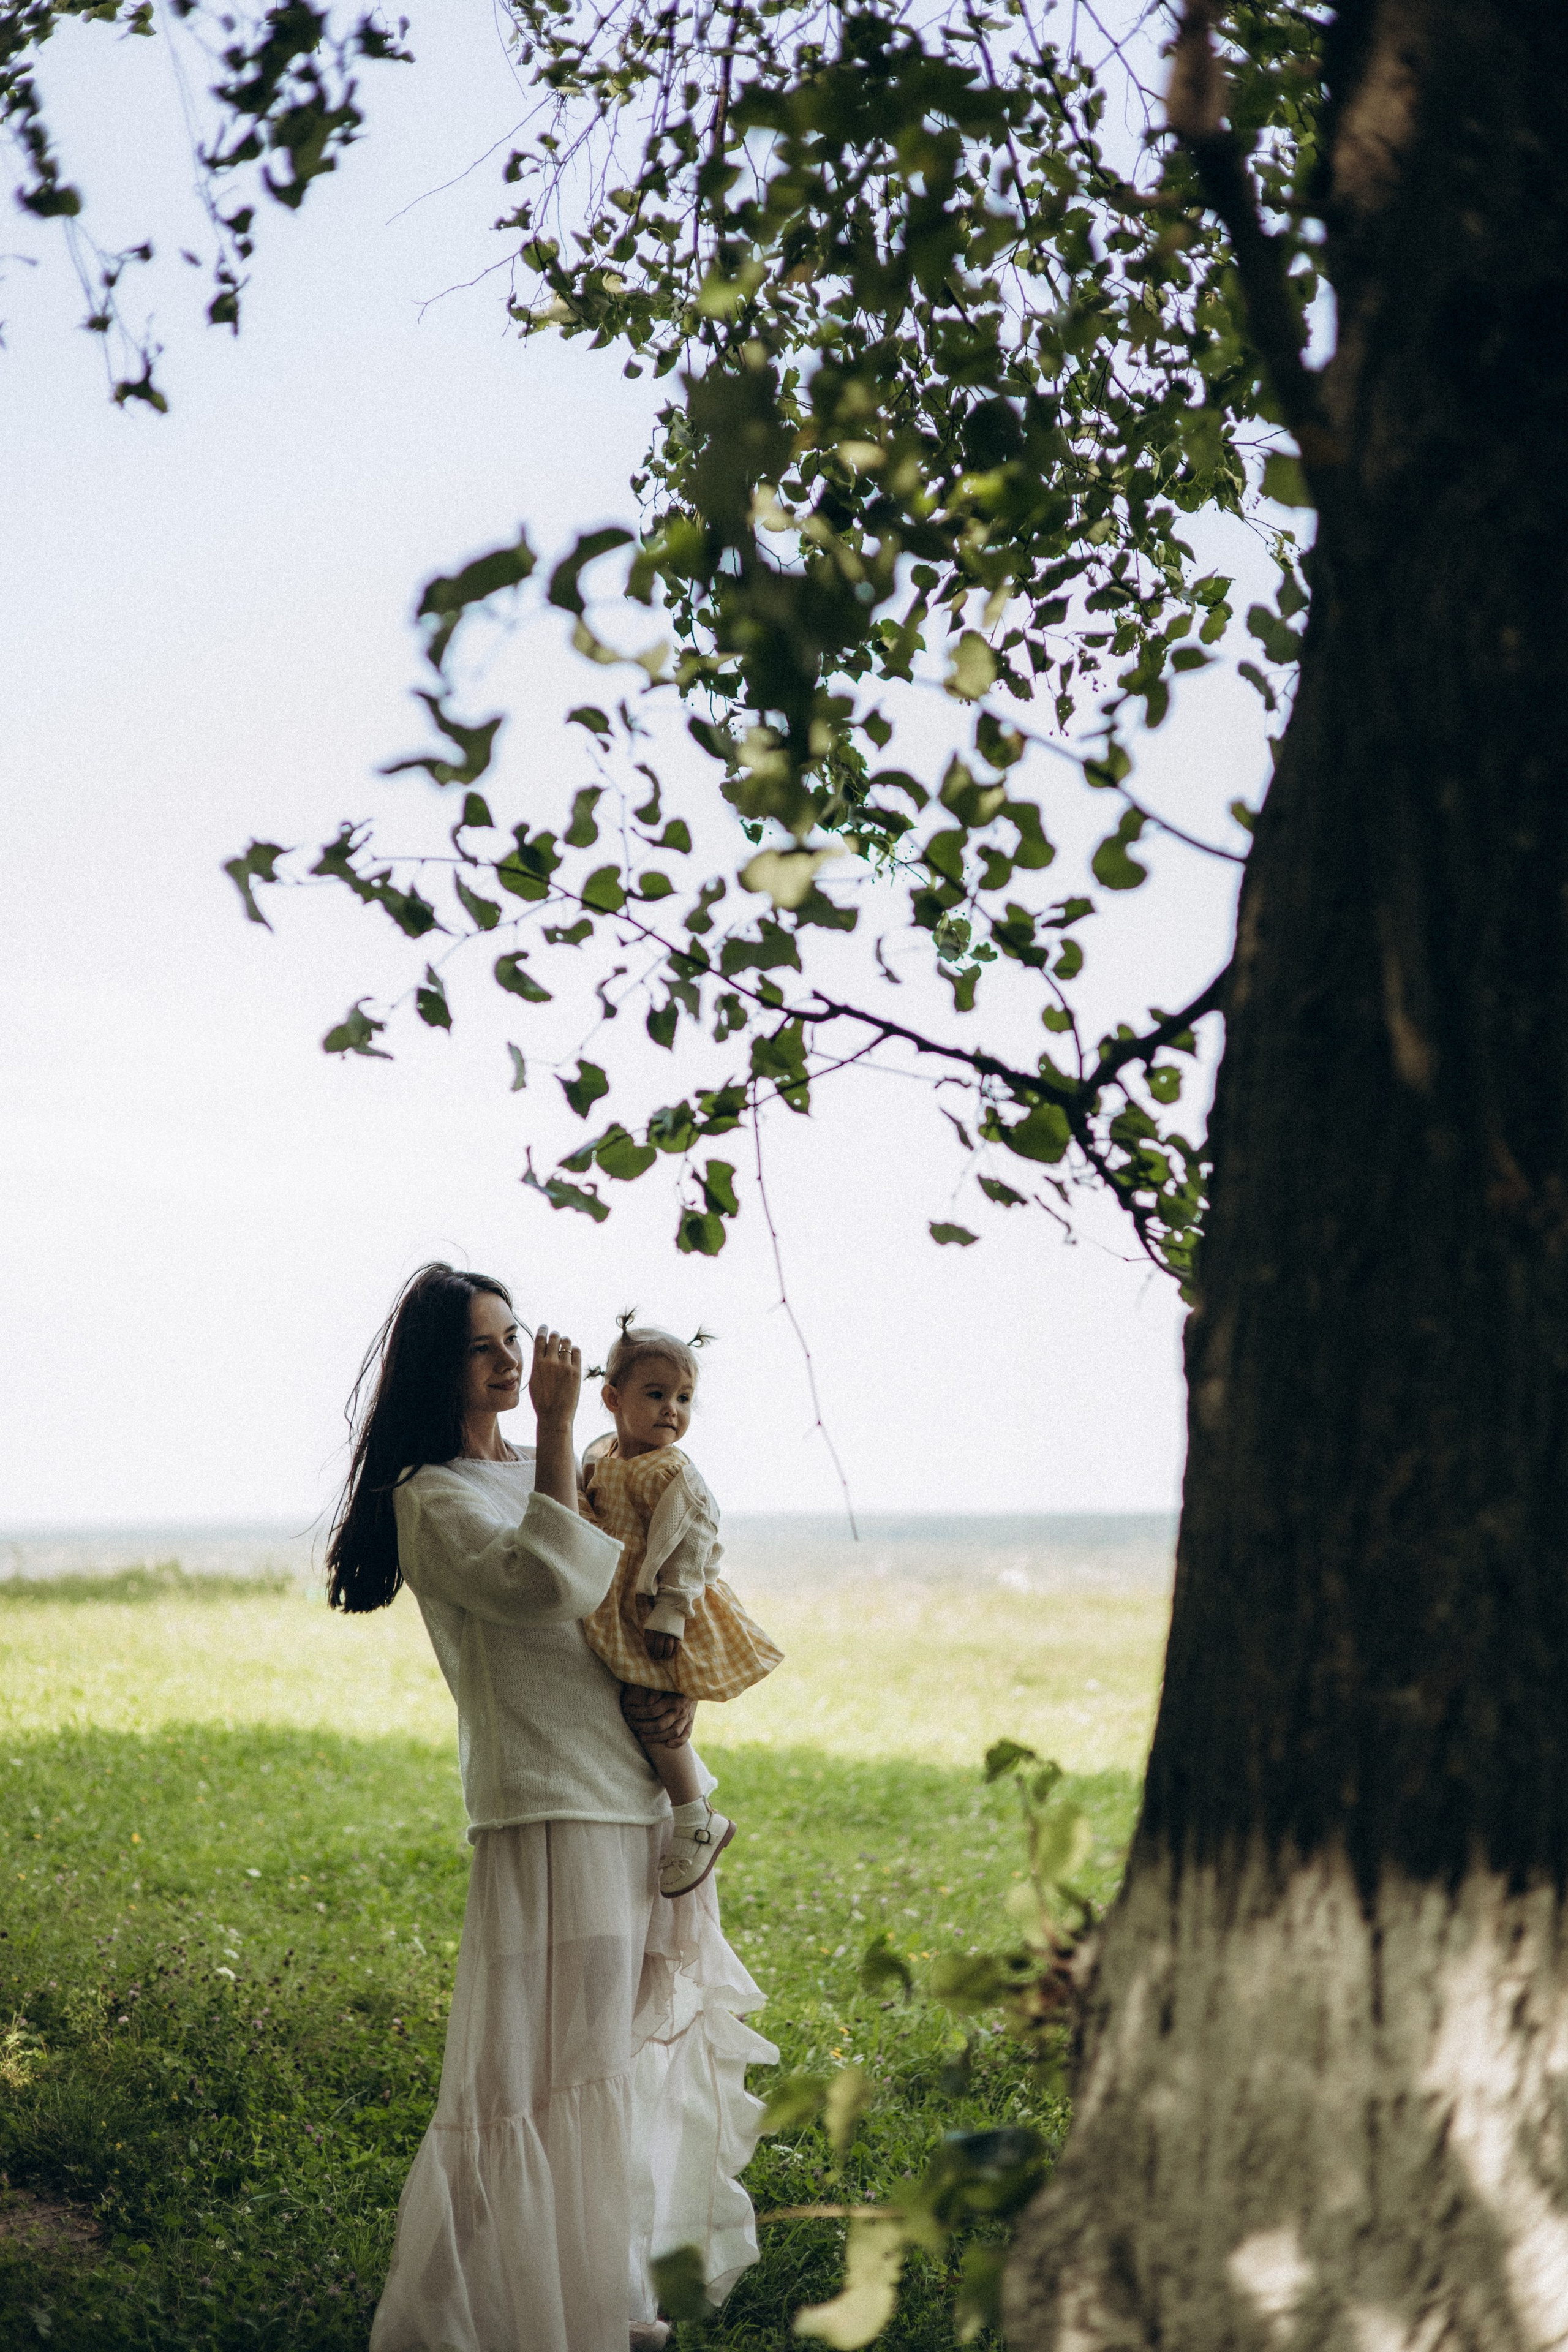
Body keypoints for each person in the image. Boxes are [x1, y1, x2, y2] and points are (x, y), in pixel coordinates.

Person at [325, 1262, 775, 2352]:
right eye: (482, 1346)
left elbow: (629, 1598)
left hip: (635, 1790)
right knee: (540, 2077)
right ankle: (484, 2312)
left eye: (514, 1337)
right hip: (547, 1806)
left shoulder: (550, 1468)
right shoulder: (431, 1497)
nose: (509, 1360)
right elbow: (549, 1583)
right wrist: (565, 1421)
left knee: (616, 2063)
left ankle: (611, 2301)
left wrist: (675, 1697)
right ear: (439, 1367)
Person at [578, 1319, 782, 1899]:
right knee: (633, 1698)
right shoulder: (602, 1455)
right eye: (656, 1394)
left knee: (650, 1703)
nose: (673, 1409)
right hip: (625, 1601)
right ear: (613, 1399)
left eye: (685, 1398)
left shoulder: (672, 1470)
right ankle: (684, 1811)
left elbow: (693, 1544)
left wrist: (671, 1610)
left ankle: (695, 1816)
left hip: (664, 1607)